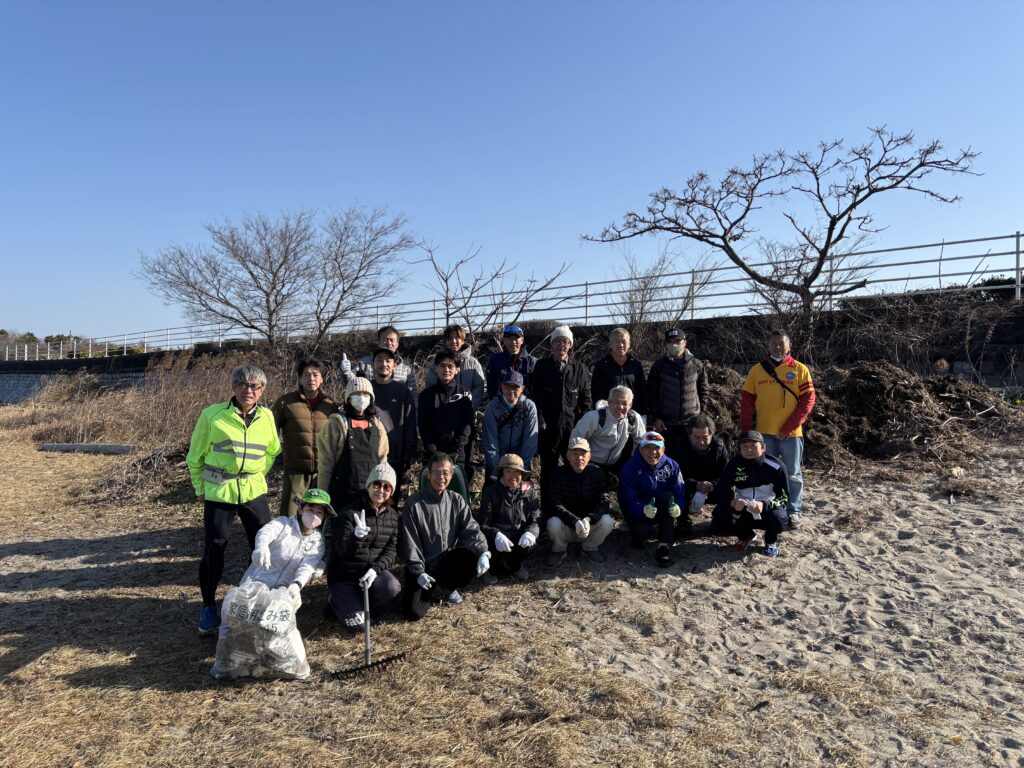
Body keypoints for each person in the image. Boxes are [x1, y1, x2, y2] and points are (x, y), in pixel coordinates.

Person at [187, 364, 281, 635]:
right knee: (215, 546)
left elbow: (273, 451)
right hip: (220, 490)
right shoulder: (212, 415)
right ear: (234, 387)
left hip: (253, 489)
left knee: (262, 545)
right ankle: (208, 605)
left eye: (255, 386)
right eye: (243, 385)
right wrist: (199, 488)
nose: (248, 390)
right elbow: (195, 456)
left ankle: (254, 600)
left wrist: (256, 474)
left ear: (262, 390)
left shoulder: (267, 417)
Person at [399, 452, 490, 618]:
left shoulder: (457, 500)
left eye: (445, 473)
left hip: (447, 563)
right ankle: (434, 589)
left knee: (470, 557)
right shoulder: (414, 504)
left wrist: (483, 552)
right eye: (437, 472)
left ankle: (447, 587)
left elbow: (470, 529)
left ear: (451, 475)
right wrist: (418, 572)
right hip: (424, 567)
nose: (441, 477)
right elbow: (410, 543)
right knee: (413, 612)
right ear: (429, 474)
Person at [740, 330, 815, 528]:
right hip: (764, 434)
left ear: (789, 346)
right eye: (774, 343)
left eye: (782, 343)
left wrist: (790, 426)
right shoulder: (757, 370)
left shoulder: (800, 369)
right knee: (766, 473)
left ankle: (793, 511)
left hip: (792, 435)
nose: (778, 347)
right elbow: (746, 402)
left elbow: (808, 400)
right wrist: (747, 430)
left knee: (793, 474)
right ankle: (768, 507)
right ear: (768, 345)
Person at [327, 463, 403, 631]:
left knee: (392, 588)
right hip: (345, 576)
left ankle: (359, 602)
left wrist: (375, 570)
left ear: (391, 491)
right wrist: (355, 537)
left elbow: (391, 551)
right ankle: (335, 600)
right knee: (359, 626)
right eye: (377, 484)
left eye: (387, 487)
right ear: (369, 485)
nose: (380, 490)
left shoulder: (393, 516)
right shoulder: (349, 513)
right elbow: (340, 550)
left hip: (369, 574)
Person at [271, 357, 337, 517]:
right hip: (296, 472)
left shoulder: (330, 405)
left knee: (318, 516)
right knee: (291, 516)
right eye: (306, 374)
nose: (311, 378)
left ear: (322, 379)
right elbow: (270, 432)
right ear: (300, 378)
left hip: (323, 473)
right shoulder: (285, 403)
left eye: (315, 374)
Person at [244, 487, 332, 604]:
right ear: (300, 510)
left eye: (319, 512)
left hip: (282, 592)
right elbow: (266, 531)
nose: (314, 515)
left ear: (323, 517)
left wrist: (296, 585)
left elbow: (308, 566)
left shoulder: (317, 542)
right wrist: (261, 546)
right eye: (310, 509)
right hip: (255, 582)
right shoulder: (284, 523)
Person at [713, 430, 790, 557]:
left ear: (763, 447)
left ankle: (770, 540)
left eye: (754, 446)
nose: (749, 450)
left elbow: (784, 497)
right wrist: (733, 502)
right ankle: (746, 536)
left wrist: (764, 505)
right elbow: (722, 490)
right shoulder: (733, 464)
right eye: (745, 446)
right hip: (743, 508)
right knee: (719, 518)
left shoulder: (777, 466)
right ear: (740, 448)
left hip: (766, 510)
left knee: (780, 520)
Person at [316, 376, 389, 510]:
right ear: (348, 398)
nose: (361, 398)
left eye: (365, 394)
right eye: (357, 394)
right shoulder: (337, 424)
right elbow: (325, 464)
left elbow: (382, 462)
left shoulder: (378, 425)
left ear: (371, 398)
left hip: (371, 495)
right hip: (342, 495)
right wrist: (322, 497)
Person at [531, 325, 592, 484]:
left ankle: (571, 499)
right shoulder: (542, 366)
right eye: (557, 341)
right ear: (552, 344)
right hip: (549, 428)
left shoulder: (579, 369)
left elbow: (586, 400)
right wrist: (541, 421)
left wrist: (583, 424)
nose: (561, 345)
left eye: (565, 341)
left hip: (572, 429)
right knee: (548, 471)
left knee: (574, 470)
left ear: (570, 344)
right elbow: (536, 397)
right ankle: (547, 501)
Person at [618, 431, 686, 567]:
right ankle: (637, 535)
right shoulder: (630, 467)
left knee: (668, 497)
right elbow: (628, 498)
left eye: (656, 448)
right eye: (648, 448)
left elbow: (679, 492)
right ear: (641, 450)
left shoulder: (672, 466)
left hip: (661, 507)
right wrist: (643, 509)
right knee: (641, 533)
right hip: (640, 509)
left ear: (663, 449)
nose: (653, 452)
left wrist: (678, 505)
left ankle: (664, 546)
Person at [544, 437, 615, 566]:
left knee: (607, 521)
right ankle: (559, 550)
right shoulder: (558, 474)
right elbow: (554, 503)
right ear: (568, 456)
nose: (579, 458)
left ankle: (589, 548)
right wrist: (575, 521)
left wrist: (589, 519)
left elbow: (604, 500)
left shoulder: (597, 473)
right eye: (575, 454)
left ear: (589, 456)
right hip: (567, 526)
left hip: (589, 526)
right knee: (553, 523)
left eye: (583, 454)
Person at [475, 453, 541, 583]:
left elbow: (536, 516)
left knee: (530, 544)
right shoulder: (491, 491)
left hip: (518, 534)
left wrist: (531, 532)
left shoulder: (529, 492)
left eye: (517, 472)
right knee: (491, 547)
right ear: (502, 473)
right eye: (508, 471)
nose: (513, 476)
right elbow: (482, 523)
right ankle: (491, 570)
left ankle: (515, 566)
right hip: (499, 536)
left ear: (522, 475)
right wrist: (496, 534)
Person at [647, 328, 709, 461]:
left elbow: (704, 390)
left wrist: (701, 413)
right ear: (666, 344)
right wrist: (657, 418)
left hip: (691, 423)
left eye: (677, 341)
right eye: (670, 342)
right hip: (667, 424)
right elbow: (652, 394)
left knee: (691, 460)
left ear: (685, 343)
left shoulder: (697, 365)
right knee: (668, 459)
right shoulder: (659, 366)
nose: (674, 345)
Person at [418, 349, 475, 482]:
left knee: (457, 490)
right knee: (432, 490)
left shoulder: (465, 394)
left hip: (457, 454)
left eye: (450, 366)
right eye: (442, 366)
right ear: (436, 368)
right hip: (432, 455)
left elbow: (467, 425)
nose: (446, 369)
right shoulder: (426, 395)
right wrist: (433, 450)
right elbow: (423, 425)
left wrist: (456, 450)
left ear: (457, 369)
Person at [367, 347, 417, 494]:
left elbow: (410, 425)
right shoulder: (367, 388)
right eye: (379, 360)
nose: (384, 364)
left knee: (390, 500)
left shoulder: (402, 391)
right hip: (369, 457)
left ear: (394, 365)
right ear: (373, 364)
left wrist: (407, 455)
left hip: (395, 457)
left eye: (388, 360)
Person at [569, 385, 646, 479]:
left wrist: (635, 463)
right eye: (616, 402)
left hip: (616, 463)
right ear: (609, 402)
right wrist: (580, 463)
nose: (620, 407)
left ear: (630, 405)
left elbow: (641, 441)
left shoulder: (633, 418)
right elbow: (576, 440)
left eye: (624, 403)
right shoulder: (593, 418)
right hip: (591, 462)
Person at [673, 414, 731, 537]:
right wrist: (695, 485)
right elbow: (674, 476)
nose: (701, 442)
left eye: (705, 437)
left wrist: (712, 485)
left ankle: (719, 521)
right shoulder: (679, 446)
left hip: (712, 486)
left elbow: (727, 475)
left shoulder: (719, 447)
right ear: (689, 434)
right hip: (688, 485)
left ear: (712, 434)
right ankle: (683, 522)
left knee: (729, 493)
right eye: (696, 437)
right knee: (675, 490)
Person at [481, 371, 538, 485]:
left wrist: (520, 468)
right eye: (507, 386)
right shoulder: (492, 407)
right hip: (497, 462)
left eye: (515, 387)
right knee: (493, 492)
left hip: (520, 463)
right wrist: (498, 470)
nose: (511, 390)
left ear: (522, 389)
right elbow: (490, 441)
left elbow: (530, 441)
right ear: (502, 386)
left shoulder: (529, 407)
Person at [340, 325, 418, 406]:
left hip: (396, 411)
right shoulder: (364, 363)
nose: (389, 343)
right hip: (369, 409)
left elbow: (413, 393)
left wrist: (414, 411)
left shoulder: (406, 368)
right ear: (379, 343)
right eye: (385, 340)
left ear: (397, 344)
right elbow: (353, 385)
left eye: (392, 340)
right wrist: (346, 372)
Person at [425, 324, 486, 410]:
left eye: (457, 338)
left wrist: (469, 408)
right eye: (450, 338)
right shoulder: (436, 361)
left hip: (467, 412)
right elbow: (430, 385)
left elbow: (479, 387)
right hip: (441, 412)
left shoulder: (473, 363)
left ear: (463, 340)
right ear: (446, 341)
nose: (453, 341)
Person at [590, 327, 647, 416]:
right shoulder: (601, 365)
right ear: (610, 344)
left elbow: (642, 391)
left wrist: (643, 414)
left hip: (632, 414)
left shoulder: (636, 365)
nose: (621, 345)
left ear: (629, 344)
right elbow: (596, 392)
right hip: (609, 415)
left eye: (624, 341)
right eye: (617, 341)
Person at [485, 324, 538, 399]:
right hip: (501, 403)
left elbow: (537, 388)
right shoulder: (495, 360)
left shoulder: (532, 361)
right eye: (509, 338)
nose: (513, 342)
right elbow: (491, 386)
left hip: (525, 404)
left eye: (516, 338)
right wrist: (495, 401)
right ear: (504, 340)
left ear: (522, 340)